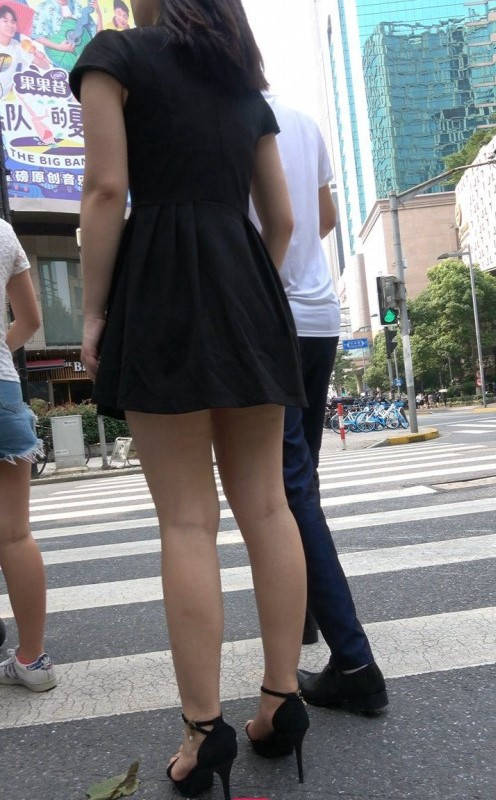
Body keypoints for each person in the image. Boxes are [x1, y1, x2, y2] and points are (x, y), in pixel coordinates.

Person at [69, 1, 309, 797]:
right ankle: (281, 701)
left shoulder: (116, 57)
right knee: (268, 506)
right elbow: (281, 220)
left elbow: (106, 189)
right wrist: (244, 284)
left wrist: (94, 313)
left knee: (186, 520)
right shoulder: (243, 82)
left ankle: (204, 734)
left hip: (161, 286)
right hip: (248, 289)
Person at [258, 97, 388, 716]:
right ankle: (305, 614)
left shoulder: (224, 117)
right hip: (318, 317)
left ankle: (355, 662)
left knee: (287, 491)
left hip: (272, 317)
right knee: (299, 484)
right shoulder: (304, 123)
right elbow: (326, 217)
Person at [0, 218, 57, 693]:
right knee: (15, 535)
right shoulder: (3, 233)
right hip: (1, 386)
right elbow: (31, 321)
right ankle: (33, 660)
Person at [0, 5, 50, 100]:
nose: (10, 25)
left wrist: (34, 52)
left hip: (4, 101)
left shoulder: (18, 47)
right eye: (5, 21)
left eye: (13, 22)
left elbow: (46, 66)